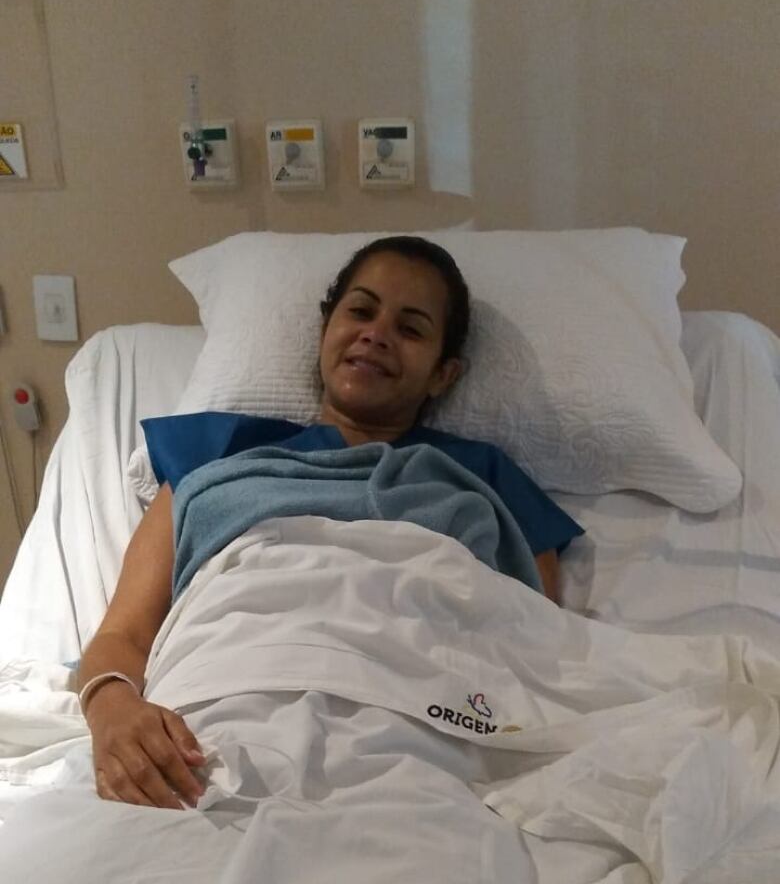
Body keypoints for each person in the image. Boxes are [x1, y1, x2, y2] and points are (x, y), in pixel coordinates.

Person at [77, 236, 583, 810]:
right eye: (361, 311)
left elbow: (535, 637)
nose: (377, 333)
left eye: (411, 328)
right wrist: (112, 709)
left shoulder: (484, 478)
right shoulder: (213, 454)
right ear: (326, 329)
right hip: (219, 714)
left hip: (422, 728)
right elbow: (122, 634)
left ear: (443, 374)